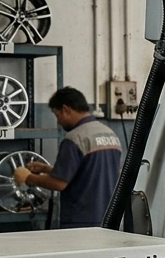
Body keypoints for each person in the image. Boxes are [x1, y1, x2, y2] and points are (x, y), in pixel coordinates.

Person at [15, 87, 124, 229]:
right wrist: (47, 169)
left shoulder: (74, 138)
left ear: (66, 109)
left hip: (81, 222)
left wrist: (27, 178)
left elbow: (59, 183)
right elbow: (89, 172)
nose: (58, 122)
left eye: (57, 115)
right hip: (110, 219)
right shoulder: (109, 134)